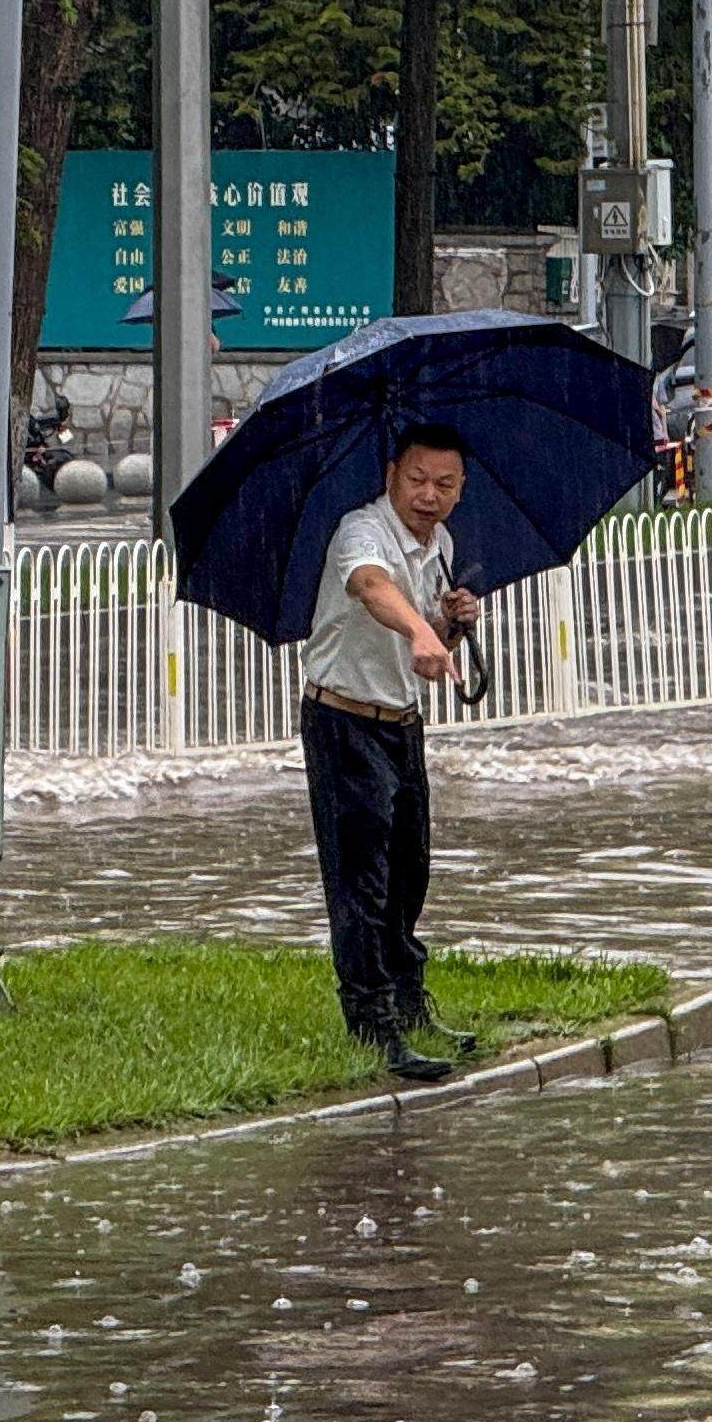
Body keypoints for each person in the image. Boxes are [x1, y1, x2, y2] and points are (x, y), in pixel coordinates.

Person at [301, 423, 483, 1084]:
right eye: (417, 479)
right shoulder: (363, 531)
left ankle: (409, 1000)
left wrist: (450, 627)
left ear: (461, 491)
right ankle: (370, 1019)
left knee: (409, 870)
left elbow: (426, 652)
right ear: (390, 476)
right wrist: (417, 627)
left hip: (400, 723)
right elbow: (373, 588)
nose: (428, 495)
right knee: (361, 881)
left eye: (444, 484)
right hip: (342, 719)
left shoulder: (440, 546)